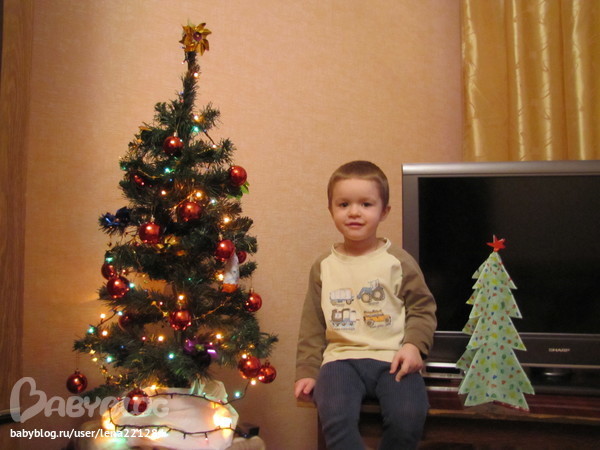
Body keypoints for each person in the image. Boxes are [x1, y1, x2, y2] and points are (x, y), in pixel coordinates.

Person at [294, 160, 437, 450]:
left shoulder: (399, 262)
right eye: (344, 204)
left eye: (366, 204)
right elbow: (312, 324)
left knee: (409, 415)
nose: (354, 212)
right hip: (340, 361)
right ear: (331, 210)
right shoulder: (324, 266)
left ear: (384, 212)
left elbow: (422, 309)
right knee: (334, 415)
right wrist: (307, 371)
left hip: (393, 360)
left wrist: (414, 346)